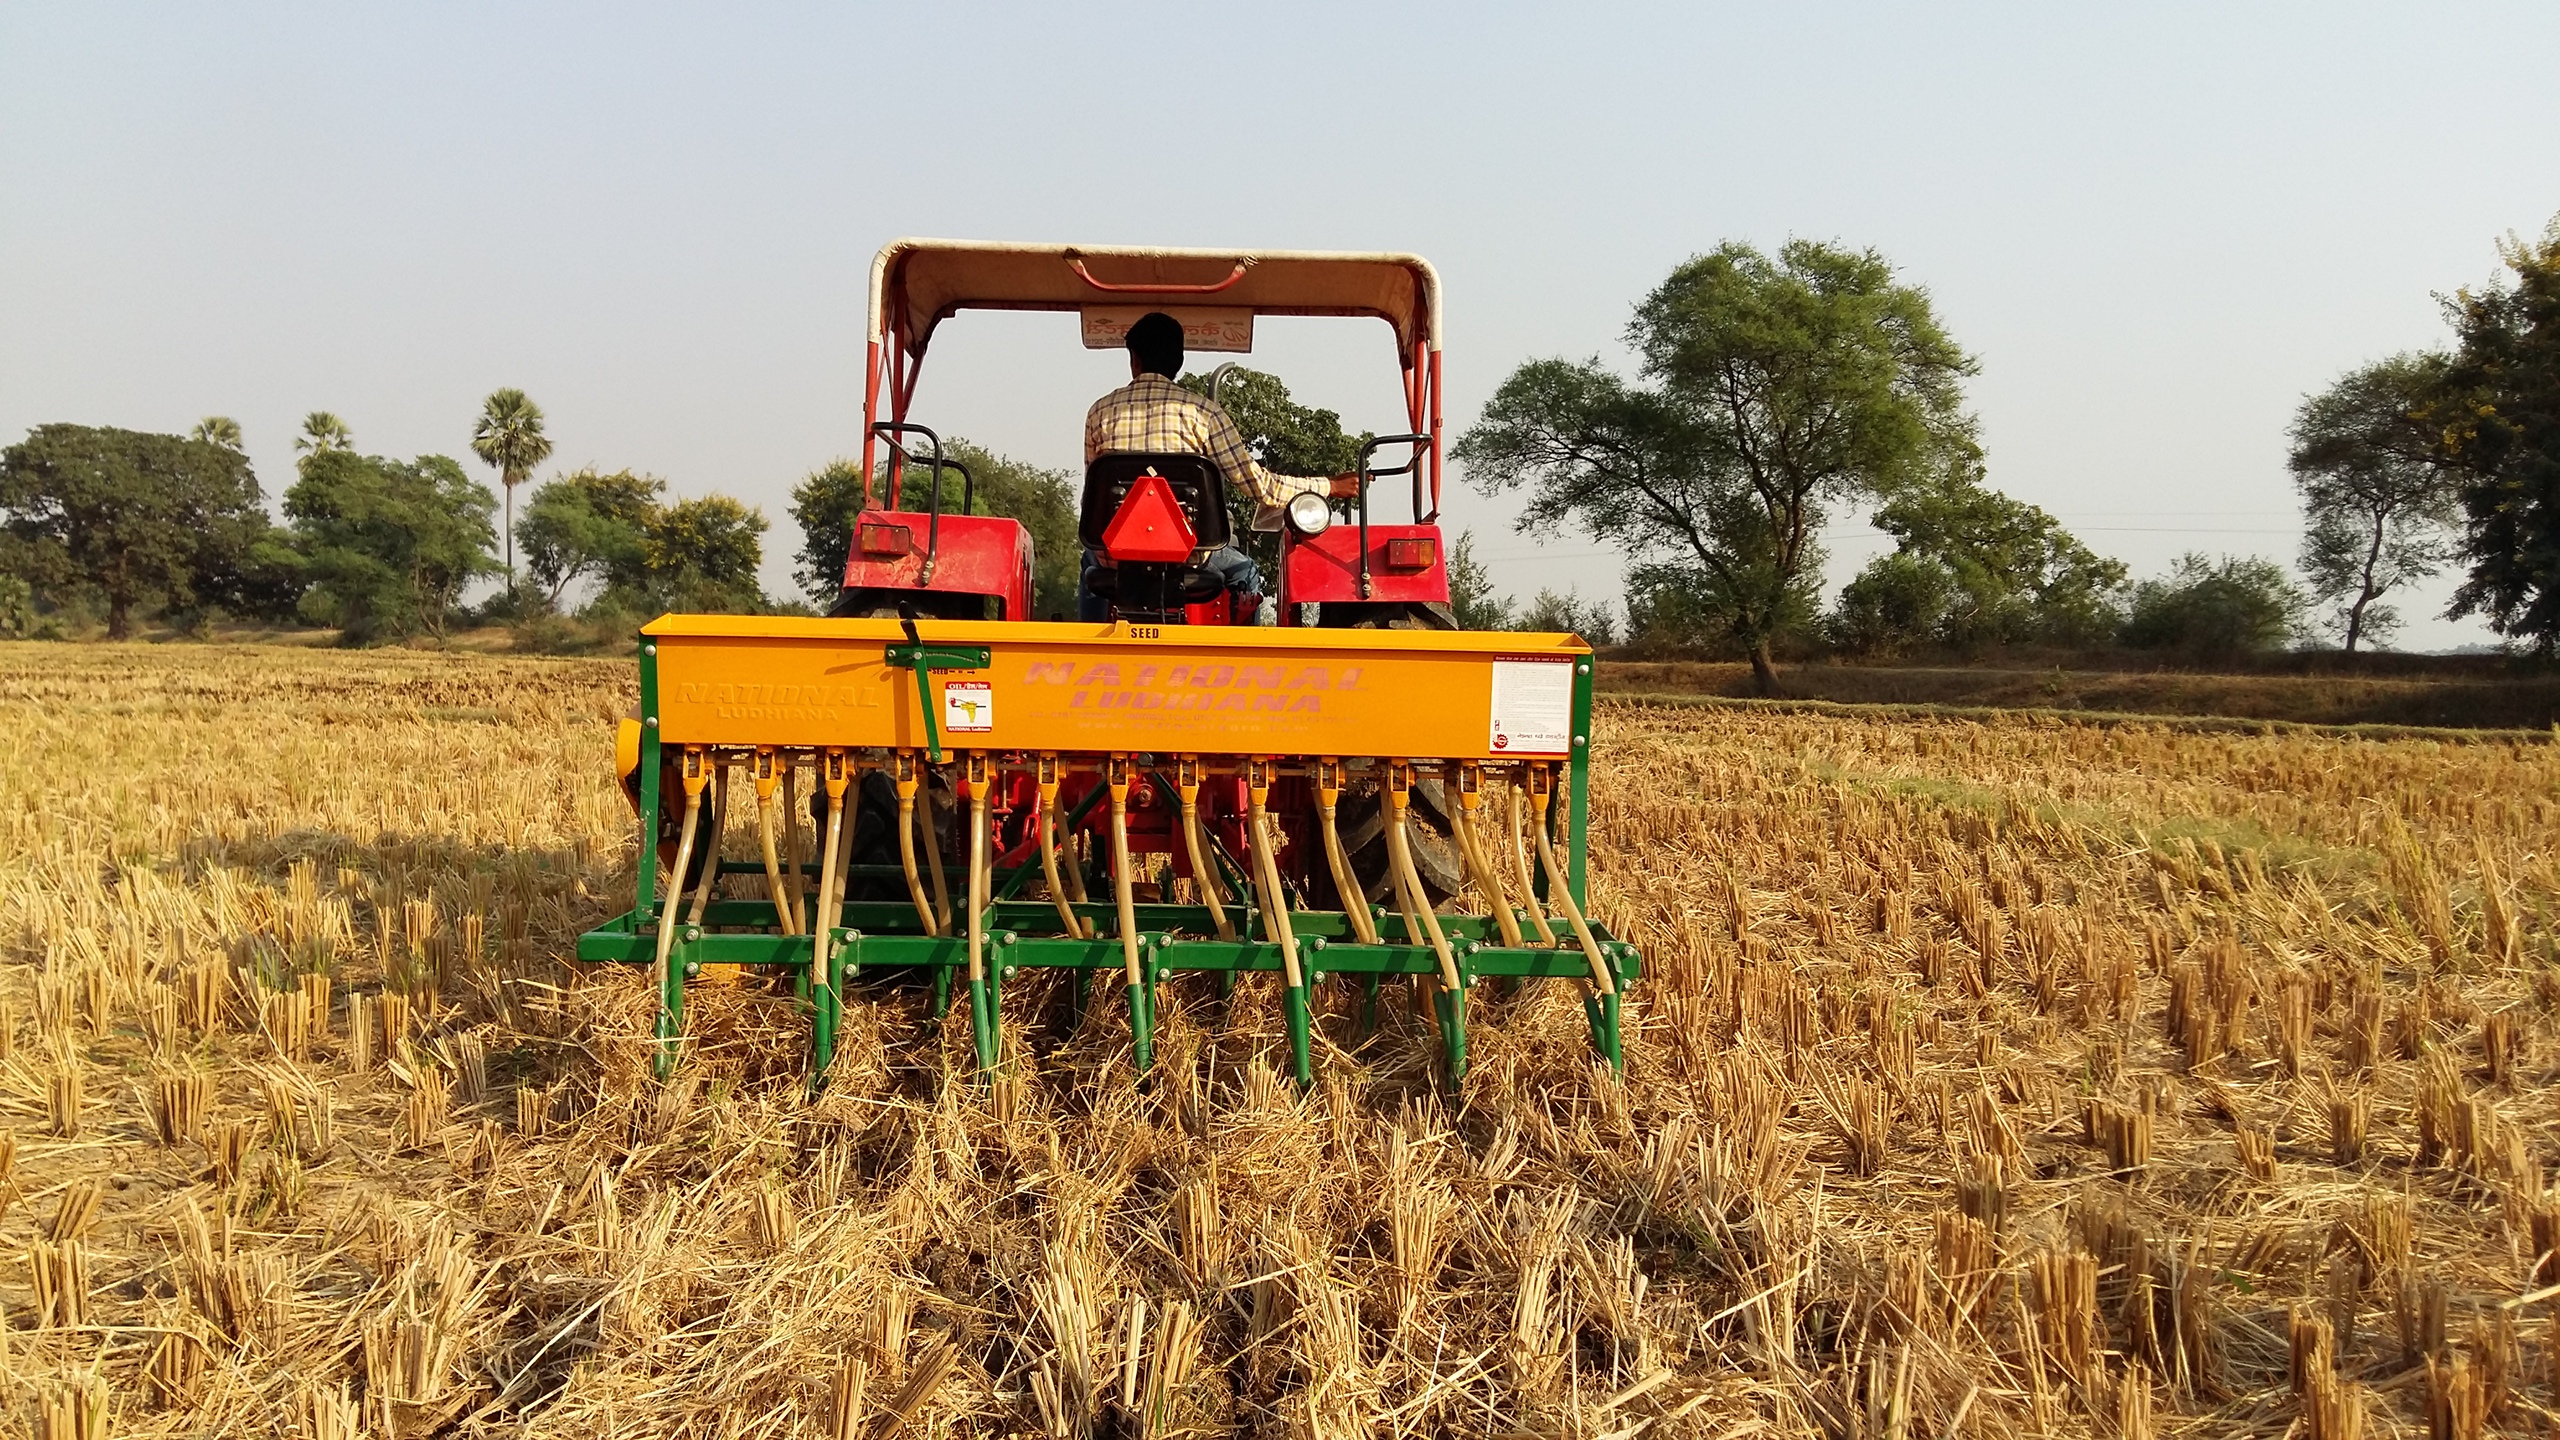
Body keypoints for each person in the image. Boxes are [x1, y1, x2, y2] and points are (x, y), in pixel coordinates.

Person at [1079, 311, 1359, 622]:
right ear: (1179, 361)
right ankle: (1241, 657)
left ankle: (1087, 641)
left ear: (1135, 359)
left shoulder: (1099, 412)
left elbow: (1094, 499)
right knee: (1247, 574)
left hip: (1117, 559)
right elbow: (1262, 487)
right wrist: (1329, 486)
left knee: (1089, 560)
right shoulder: (1203, 414)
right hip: (1190, 558)